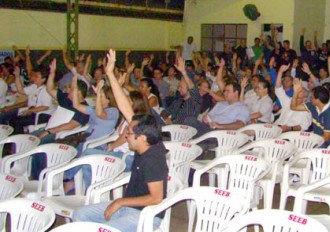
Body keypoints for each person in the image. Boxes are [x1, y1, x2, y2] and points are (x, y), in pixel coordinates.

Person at [72, 49, 168, 232]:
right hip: (127, 207)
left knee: (104, 229)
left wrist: (121, 201)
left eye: (129, 134)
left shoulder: (153, 157)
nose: (125, 135)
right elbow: (125, 107)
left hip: (145, 215)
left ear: (142, 138)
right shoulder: (143, 137)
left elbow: (156, 198)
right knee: (79, 215)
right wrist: (110, 74)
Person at [291, 80, 330, 147]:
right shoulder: (313, 105)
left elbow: (325, 138)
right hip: (317, 137)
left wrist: (310, 144)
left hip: (329, 143)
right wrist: (296, 92)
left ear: (318, 100)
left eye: (312, 98)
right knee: (295, 141)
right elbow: (294, 107)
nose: (310, 99)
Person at [9, 66, 54, 134]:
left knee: (16, 121)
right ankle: (18, 138)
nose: (34, 78)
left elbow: (45, 107)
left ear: (43, 79)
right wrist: (17, 76)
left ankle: (19, 141)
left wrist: (29, 110)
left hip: (44, 114)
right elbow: (21, 91)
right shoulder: (34, 86)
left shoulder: (45, 90)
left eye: (36, 76)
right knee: (13, 120)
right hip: (34, 111)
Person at [160, 57, 202, 124]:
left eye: (181, 87)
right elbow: (164, 112)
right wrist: (167, 118)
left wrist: (183, 72)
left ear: (188, 88)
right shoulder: (178, 101)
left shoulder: (195, 101)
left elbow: (193, 89)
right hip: (172, 127)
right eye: (178, 87)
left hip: (184, 130)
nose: (178, 89)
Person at [274, 64, 311, 132]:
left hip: (290, 133)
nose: (297, 90)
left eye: (300, 90)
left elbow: (303, 127)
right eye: (296, 89)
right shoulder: (288, 101)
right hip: (277, 127)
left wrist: (289, 128)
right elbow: (278, 89)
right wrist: (280, 72)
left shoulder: (306, 109)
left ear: (305, 98)